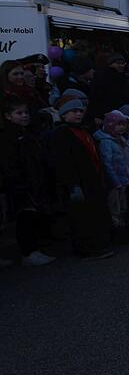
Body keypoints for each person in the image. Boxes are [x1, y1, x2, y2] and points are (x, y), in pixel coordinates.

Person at [50, 94, 114, 259]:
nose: (78, 114)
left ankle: (99, 243)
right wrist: (72, 184)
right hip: (77, 181)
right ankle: (86, 248)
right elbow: (63, 162)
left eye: (80, 110)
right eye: (73, 111)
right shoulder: (62, 134)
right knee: (81, 217)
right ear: (64, 114)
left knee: (93, 213)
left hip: (91, 179)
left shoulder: (83, 131)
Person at [0, 97, 55, 265]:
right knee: (25, 217)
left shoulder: (26, 133)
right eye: (19, 113)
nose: (24, 116)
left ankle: (32, 250)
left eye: (25, 112)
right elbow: (10, 163)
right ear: (8, 116)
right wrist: (18, 183)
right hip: (19, 184)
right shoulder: (9, 137)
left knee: (30, 216)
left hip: (30, 181)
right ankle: (28, 252)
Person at [94, 110, 129, 241]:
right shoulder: (106, 142)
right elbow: (108, 163)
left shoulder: (122, 140)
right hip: (115, 182)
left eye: (123, 124)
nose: (122, 127)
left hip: (124, 180)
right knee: (115, 208)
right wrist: (115, 181)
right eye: (118, 125)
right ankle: (119, 234)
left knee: (123, 206)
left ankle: (126, 231)